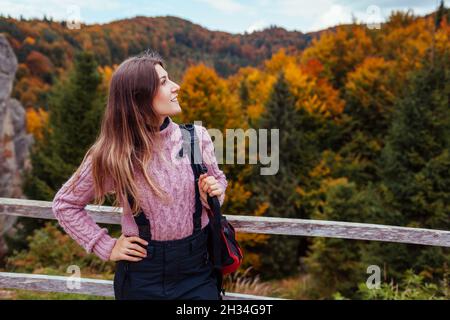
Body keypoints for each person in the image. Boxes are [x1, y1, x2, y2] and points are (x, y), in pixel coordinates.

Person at [51, 51, 228, 300]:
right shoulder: (113, 153)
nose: (176, 87)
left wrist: (212, 194)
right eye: (164, 82)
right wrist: (106, 246)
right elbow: (65, 204)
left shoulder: (195, 138)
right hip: (142, 276)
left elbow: (218, 182)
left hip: (197, 270)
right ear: (139, 96)